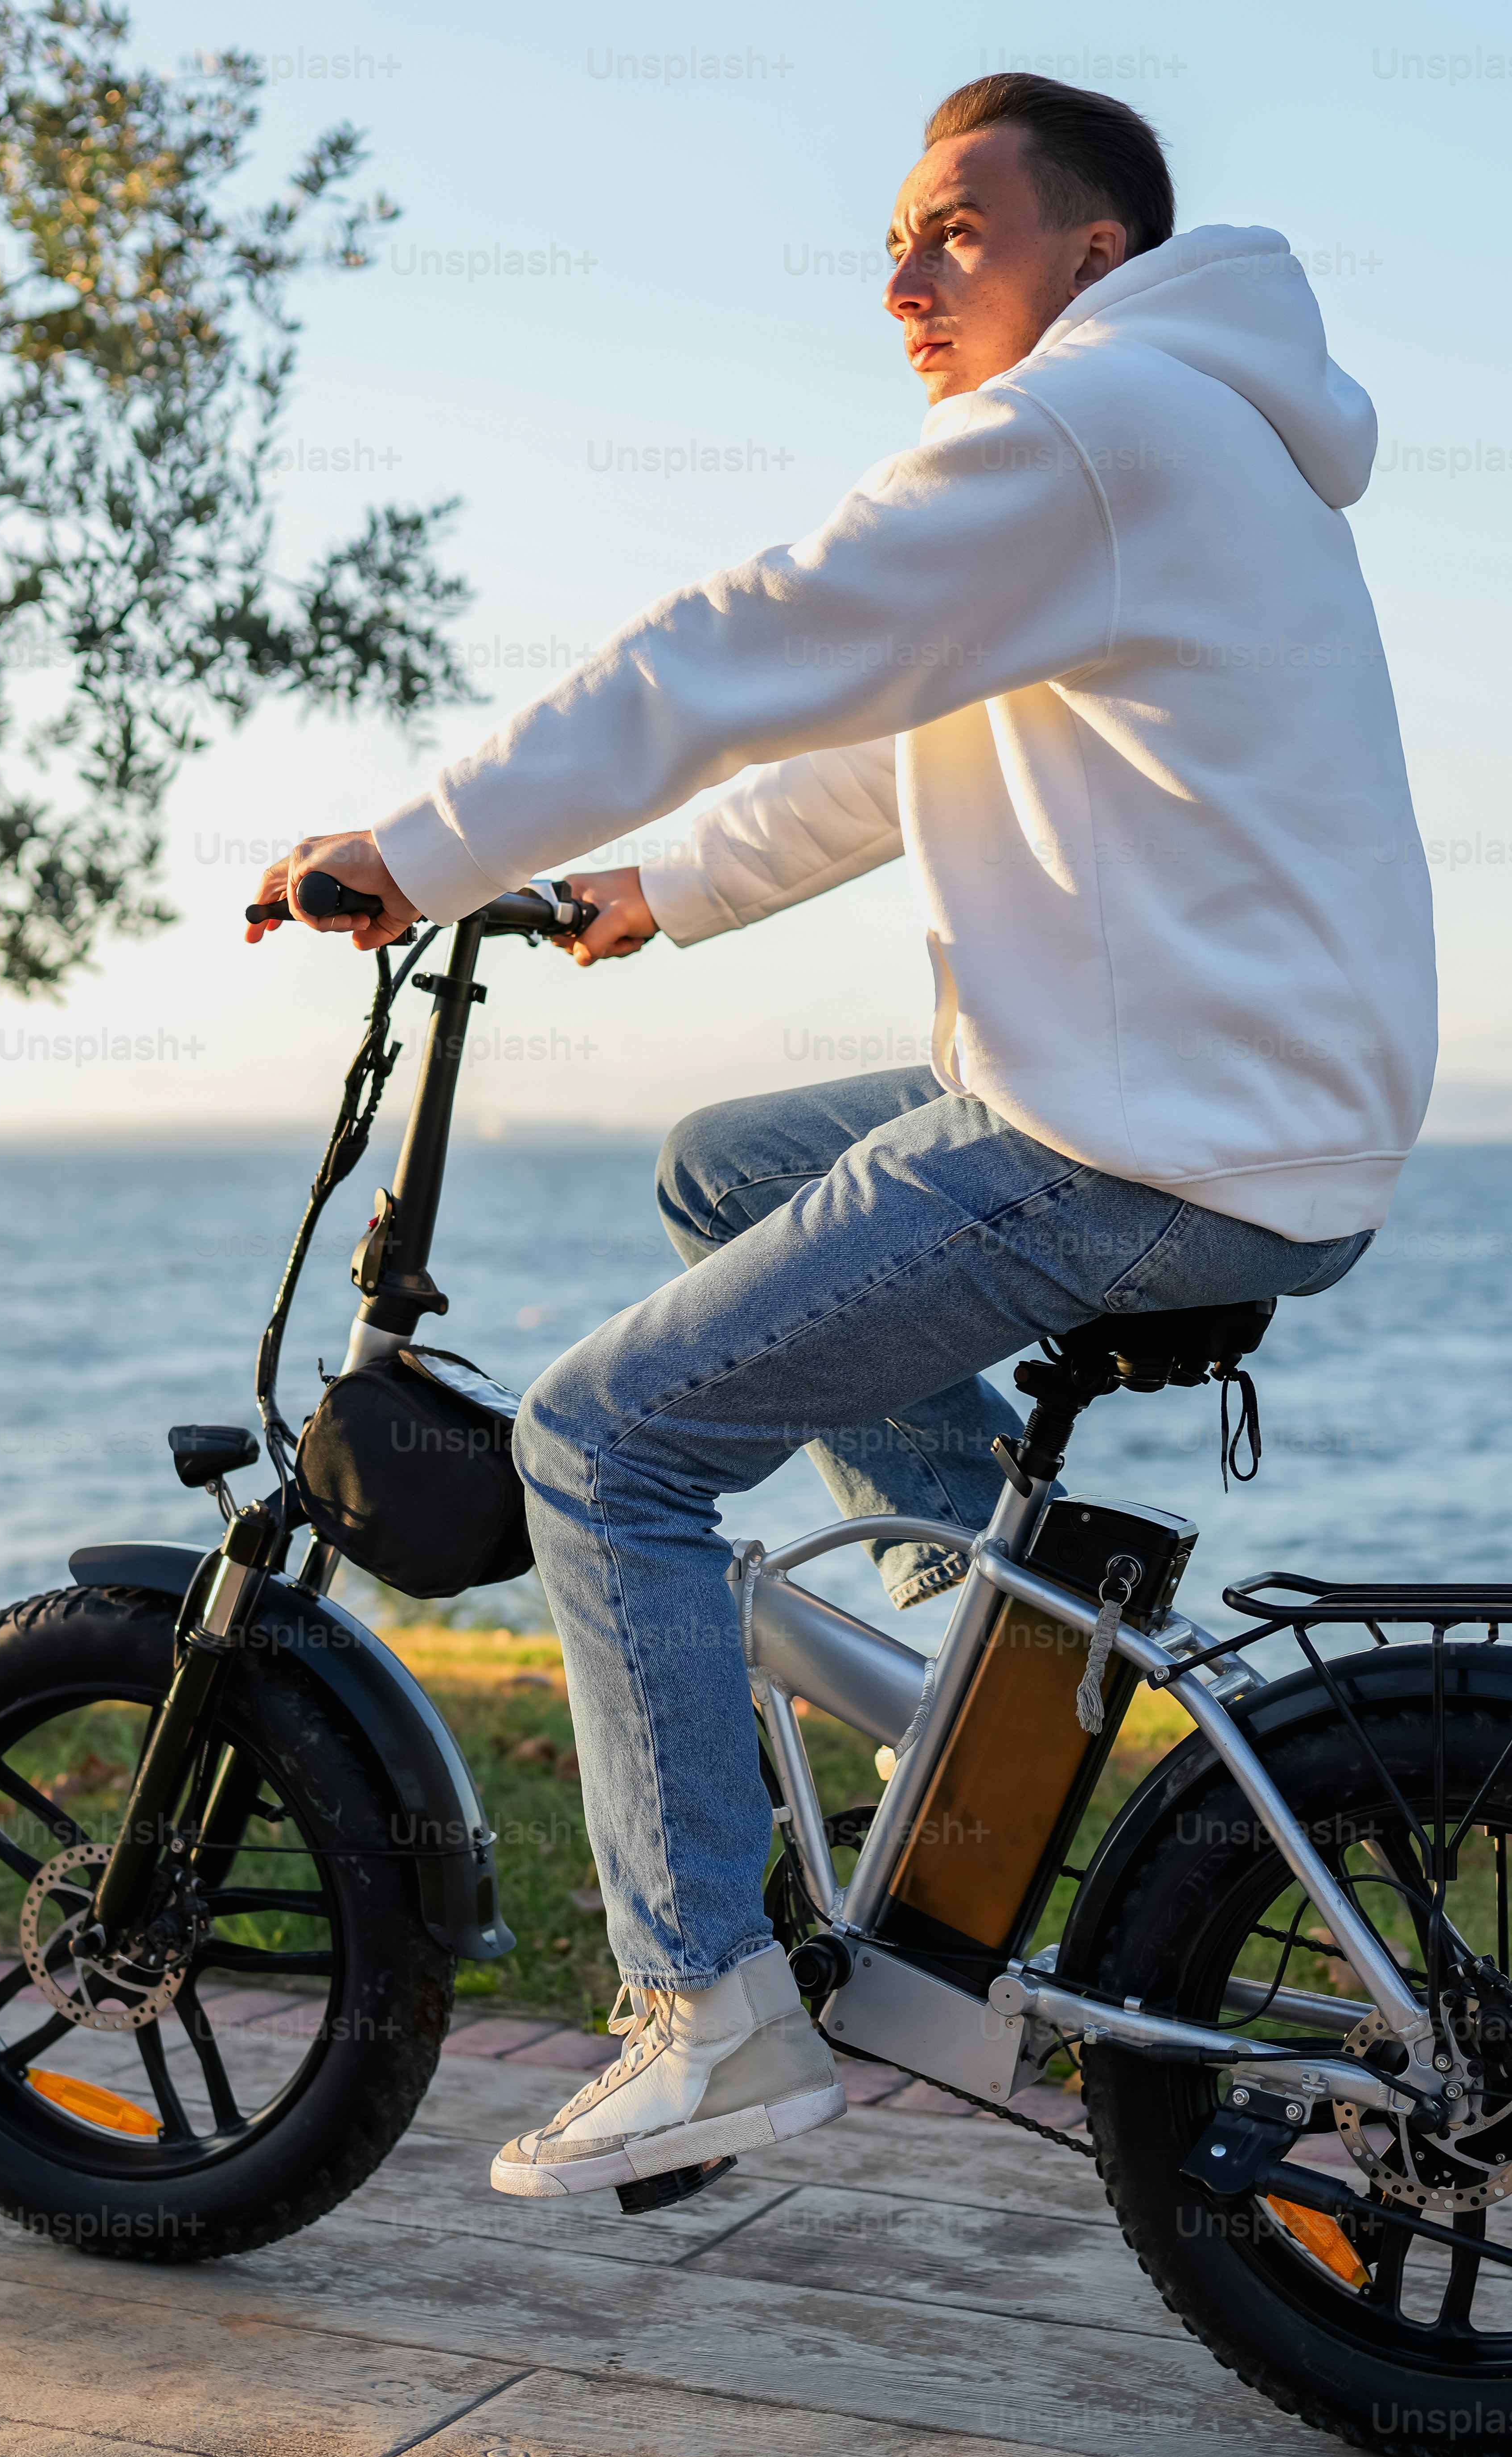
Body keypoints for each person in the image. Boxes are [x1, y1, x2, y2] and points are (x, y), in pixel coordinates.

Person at [254, 73, 1436, 2199]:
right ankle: (973, 1695)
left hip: (1133, 1137)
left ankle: (710, 2017)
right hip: (1235, 1108)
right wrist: (658, 887)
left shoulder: (1092, 426)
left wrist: (420, 850)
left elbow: (744, 640)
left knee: (603, 1439)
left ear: (1093, 251)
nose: (901, 277)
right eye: (890, 241)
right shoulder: (1183, 438)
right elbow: (904, 736)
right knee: (725, 1159)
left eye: (952, 234)